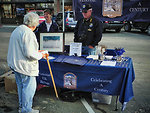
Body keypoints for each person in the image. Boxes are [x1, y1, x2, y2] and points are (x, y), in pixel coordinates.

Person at [7, 12, 46, 113]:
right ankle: (27, 110)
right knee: (28, 90)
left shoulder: (18, 29)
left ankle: (22, 108)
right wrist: (41, 55)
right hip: (25, 68)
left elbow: (22, 48)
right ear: (34, 24)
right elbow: (29, 54)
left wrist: (36, 51)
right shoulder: (28, 33)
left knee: (21, 88)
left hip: (16, 65)